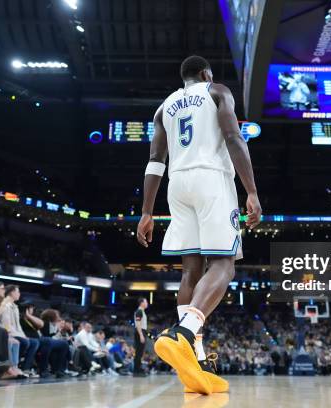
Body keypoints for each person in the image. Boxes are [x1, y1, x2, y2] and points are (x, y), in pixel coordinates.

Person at [137, 55, 261, 395]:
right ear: (205, 74)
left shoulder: (164, 108)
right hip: (211, 179)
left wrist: (147, 212)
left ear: (184, 78)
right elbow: (235, 139)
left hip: (177, 185)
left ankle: (196, 356)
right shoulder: (217, 91)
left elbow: (153, 161)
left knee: (190, 270)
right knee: (224, 265)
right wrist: (251, 191)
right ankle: (183, 332)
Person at [0, 285, 40, 377]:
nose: (19, 294)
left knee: (34, 342)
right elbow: (6, 324)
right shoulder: (6, 305)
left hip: (16, 333)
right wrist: (20, 336)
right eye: (18, 291)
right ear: (12, 292)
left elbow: (18, 326)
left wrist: (23, 335)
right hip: (8, 333)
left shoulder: (15, 307)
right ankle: (13, 366)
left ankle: (25, 368)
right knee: (25, 342)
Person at [133, 297, 149, 377]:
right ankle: (136, 371)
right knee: (138, 352)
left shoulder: (142, 311)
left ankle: (138, 369)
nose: (147, 303)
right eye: (146, 302)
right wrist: (141, 335)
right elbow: (138, 324)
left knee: (140, 352)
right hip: (140, 332)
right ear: (142, 303)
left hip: (142, 331)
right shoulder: (139, 311)